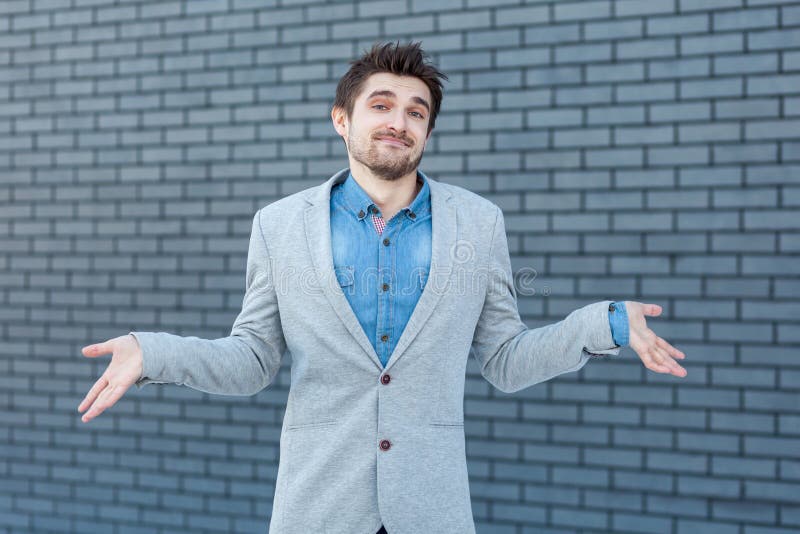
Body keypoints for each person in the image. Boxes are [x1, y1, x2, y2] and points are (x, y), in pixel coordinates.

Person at [78, 41, 687, 534]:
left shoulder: (479, 222)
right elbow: (252, 360)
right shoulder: (278, 225)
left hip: (432, 509)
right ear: (342, 119)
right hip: (317, 508)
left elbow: (505, 360)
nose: (399, 122)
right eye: (381, 105)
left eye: (416, 112)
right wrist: (153, 352)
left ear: (428, 131)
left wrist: (601, 323)